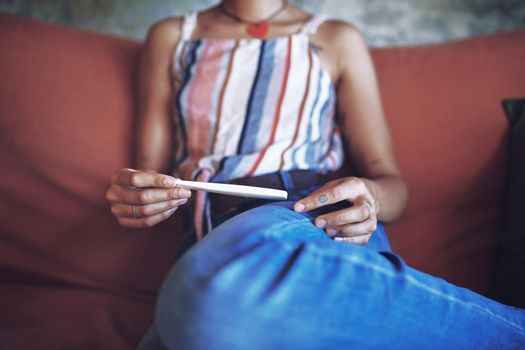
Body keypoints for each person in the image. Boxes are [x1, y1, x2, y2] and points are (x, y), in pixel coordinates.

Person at [105, 1, 525, 349]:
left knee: (206, 304)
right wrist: (136, 195)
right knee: (196, 319)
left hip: (304, 213)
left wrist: (370, 198)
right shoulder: (173, 37)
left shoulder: (335, 38)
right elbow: (146, 173)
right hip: (203, 236)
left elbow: (394, 186)